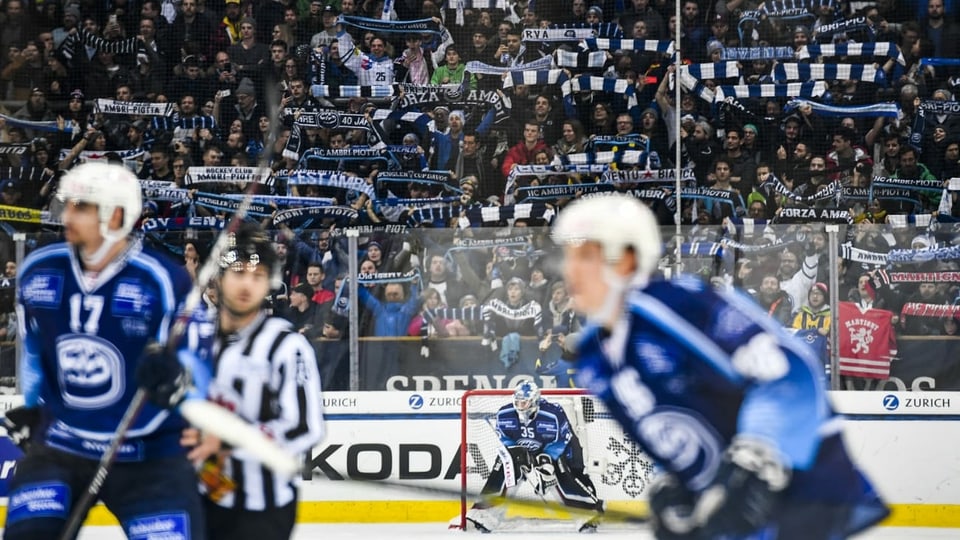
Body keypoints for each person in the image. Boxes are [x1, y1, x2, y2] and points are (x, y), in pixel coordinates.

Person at [550, 194, 889, 540]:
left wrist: (753, 463)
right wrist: (674, 487)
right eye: (568, 257)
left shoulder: (675, 306)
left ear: (624, 260)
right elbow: (669, 431)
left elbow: (789, 370)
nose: (568, 270)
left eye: (584, 257)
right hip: (732, 517)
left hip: (804, 493)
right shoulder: (594, 359)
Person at [2, 162, 212, 539]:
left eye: (81, 206)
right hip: (60, 446)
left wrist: (178, 383)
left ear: (115, 215)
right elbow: (36, 348)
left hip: (150, 454)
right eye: (67, 204)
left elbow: (198, 365)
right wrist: (33, 406)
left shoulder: (162, 279)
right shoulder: (38, 272)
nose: (66, 215)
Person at [186, 222, 325, 540]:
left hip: (263, 509)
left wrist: (228, 441)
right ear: (220, 278)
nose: (247, 284)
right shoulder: (195, 339)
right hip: (203, 497)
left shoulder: (287, 346)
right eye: (238, 273)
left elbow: (304, 426)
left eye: (258, 276)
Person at [465, 380, 604, 533]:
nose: (520, 406)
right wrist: (518, 452)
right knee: (507, 464)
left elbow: (562, 440)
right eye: (517, 401)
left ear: (534, 401)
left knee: (556, 474)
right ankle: (484, 514)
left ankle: (587, 514)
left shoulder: (553, 414)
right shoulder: (505, 414)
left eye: (524, 402)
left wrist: (546, 460)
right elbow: (505, 438)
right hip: (522, 450)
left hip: (551, 450)